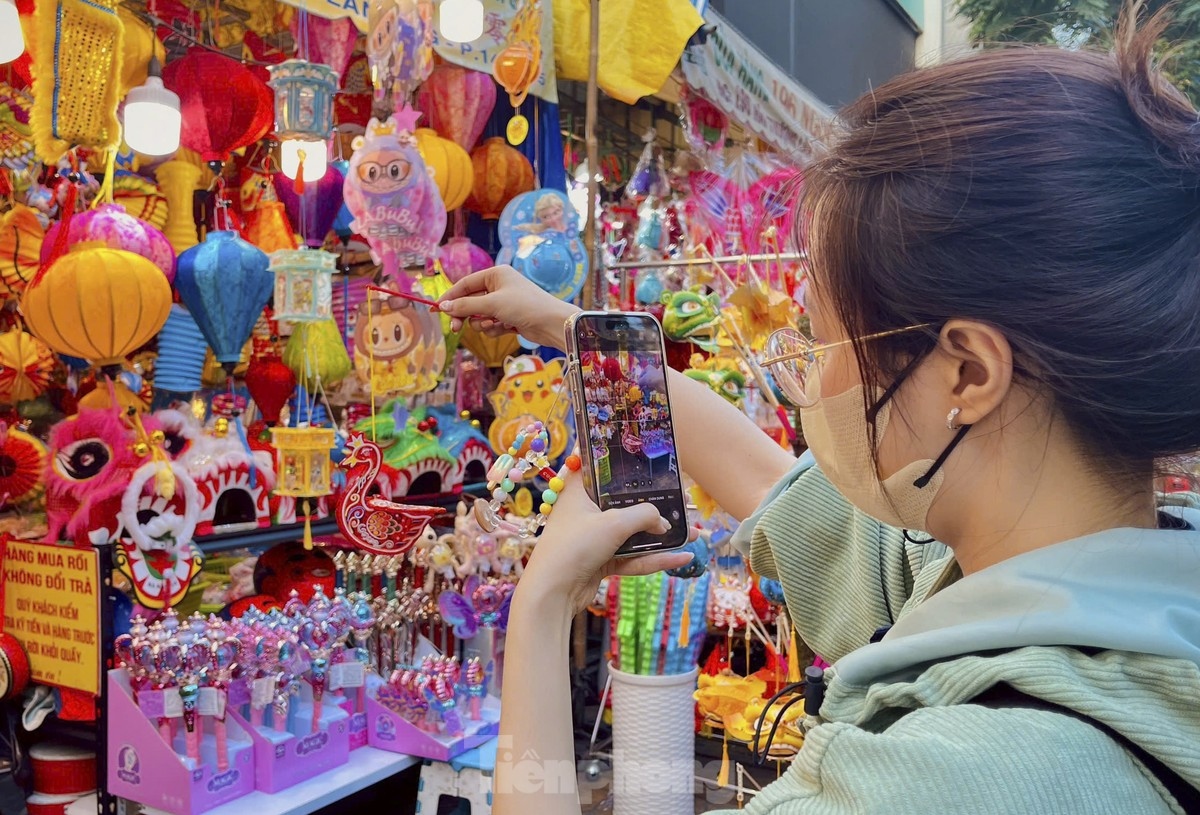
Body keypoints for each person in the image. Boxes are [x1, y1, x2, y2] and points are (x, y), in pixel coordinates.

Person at [438, 8, 1200, 814]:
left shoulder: (941, 783)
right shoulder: (1104, 596)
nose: (812, 380)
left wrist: (543, 602)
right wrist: (566, 325)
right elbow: (778, 489)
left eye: (829, 340)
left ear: (968, 373)